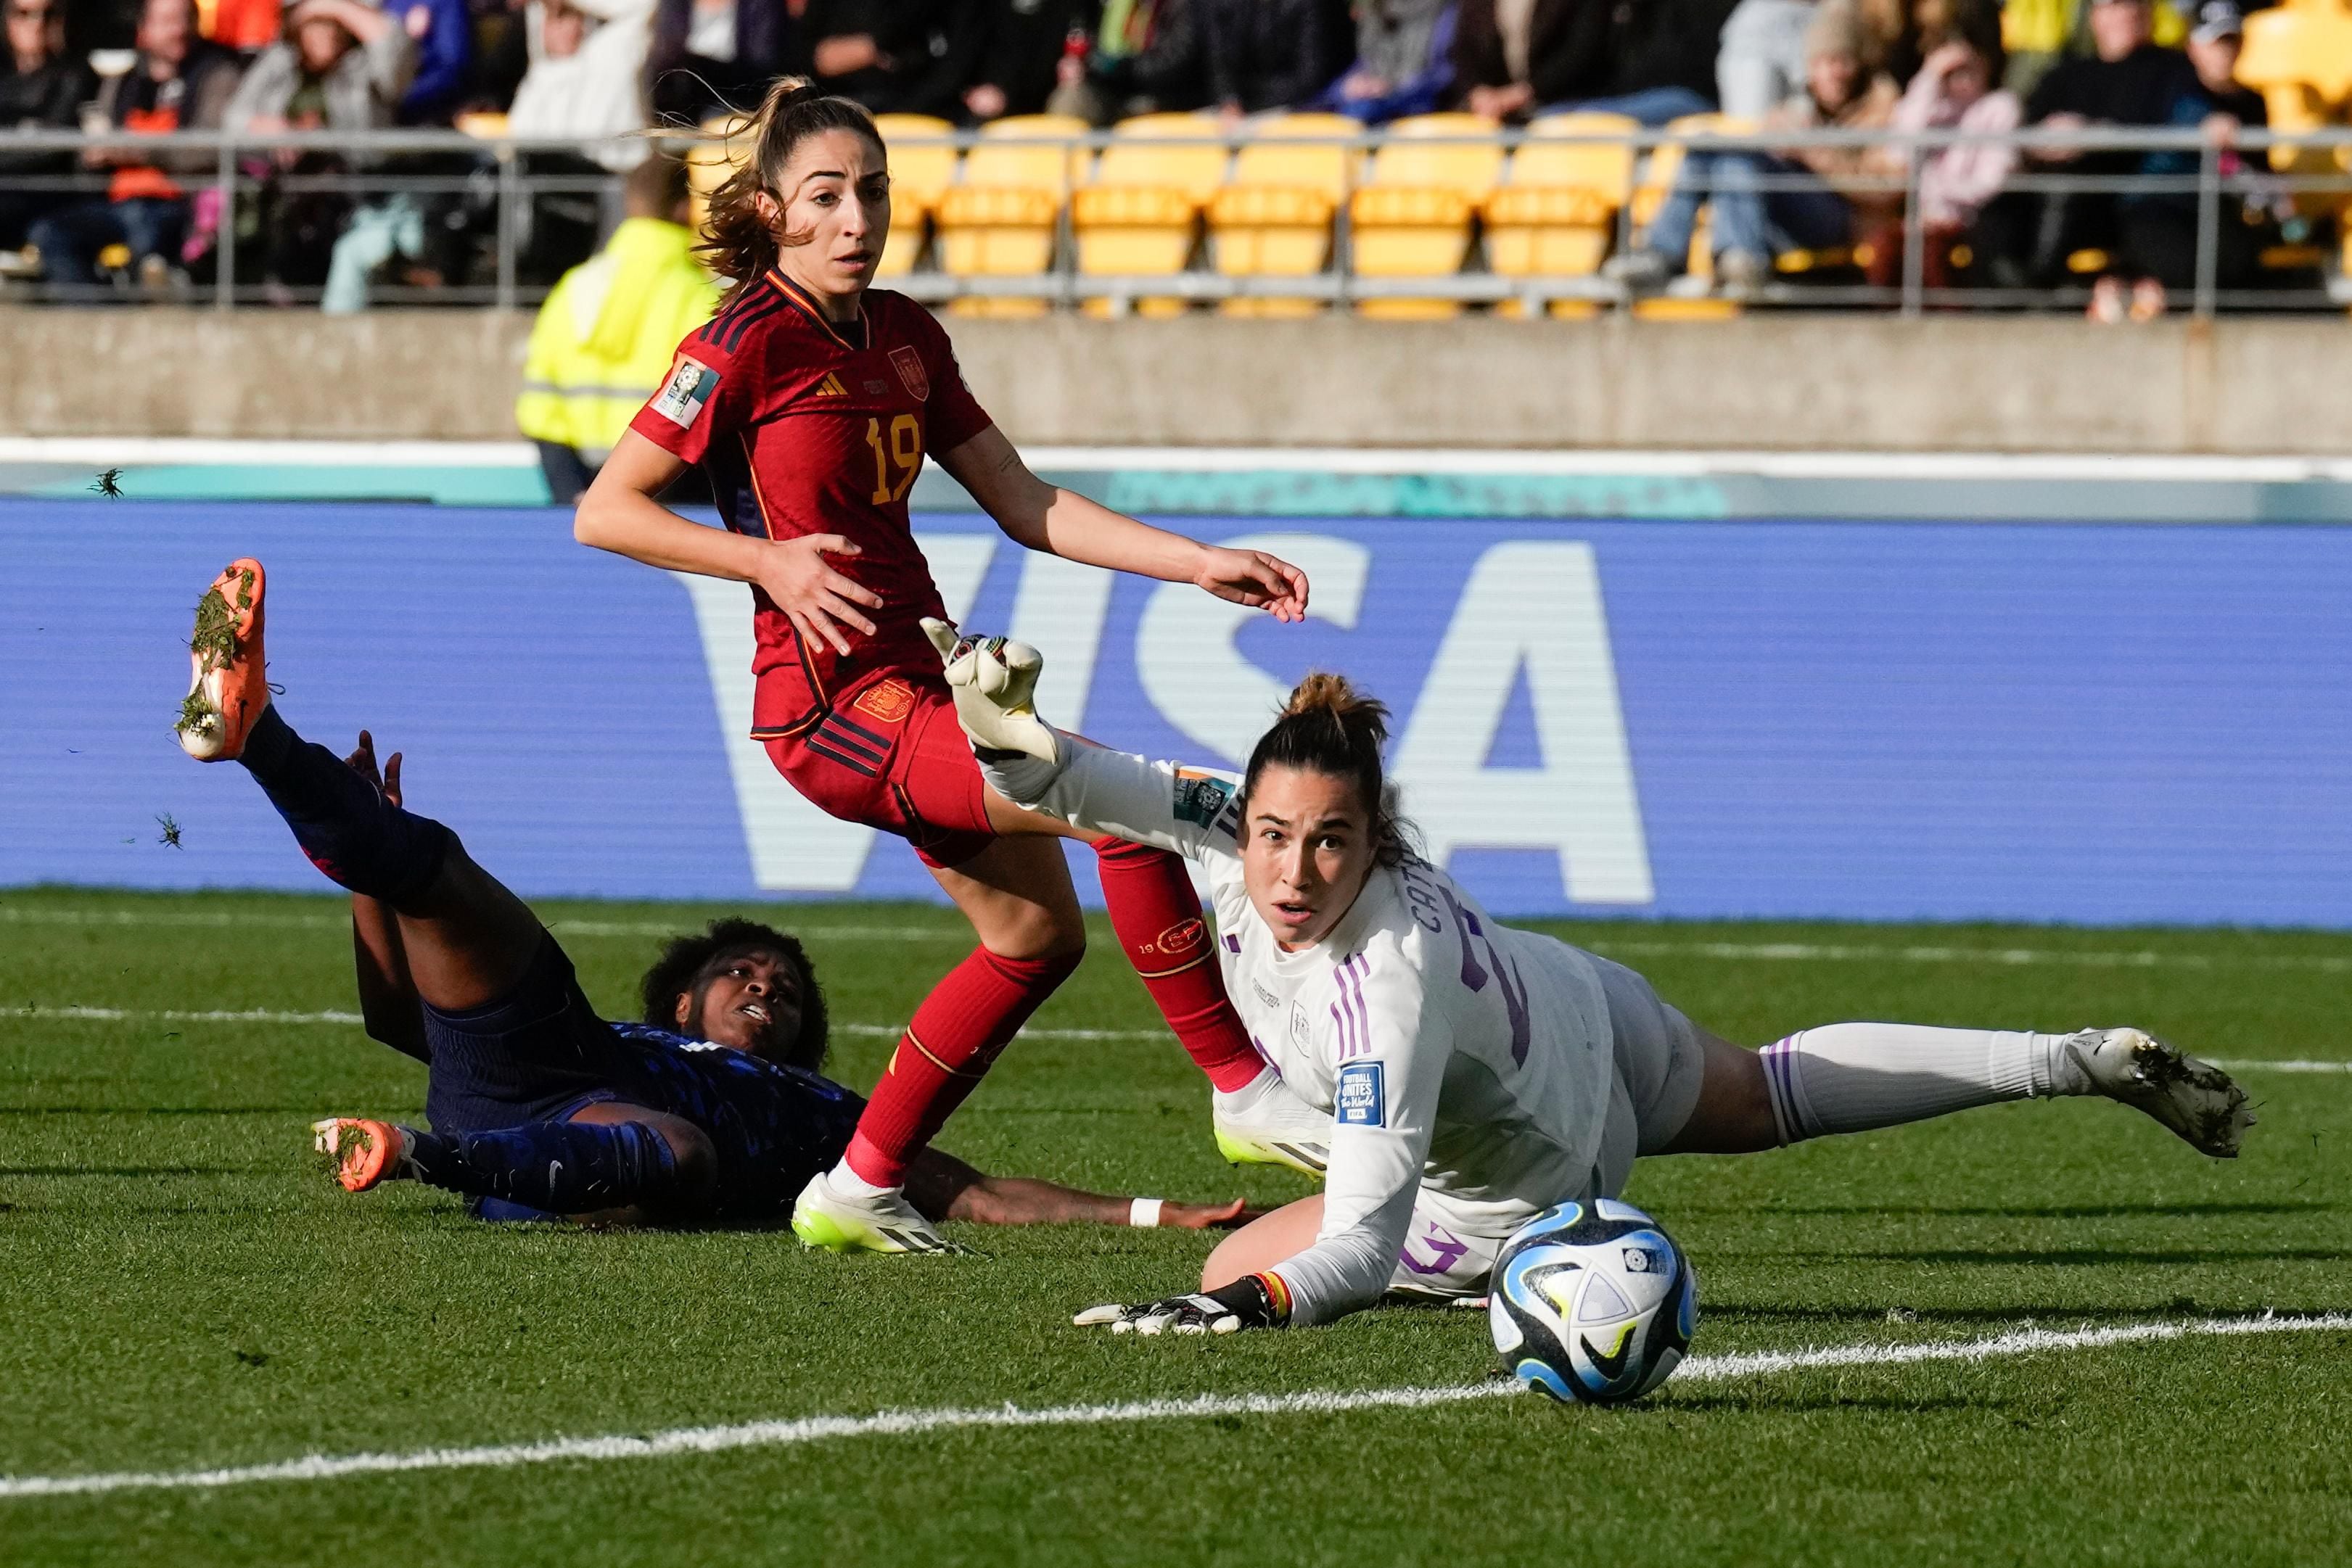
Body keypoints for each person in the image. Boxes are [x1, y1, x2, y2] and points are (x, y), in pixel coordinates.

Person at [926, 631, 2256, 1334]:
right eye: (1272, 835)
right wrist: (1008, 729)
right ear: (1246, 814)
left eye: (1328, 843)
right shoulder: (1236, 814)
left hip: (1531, 1182)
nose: (1288, 868)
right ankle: (2063, 1058)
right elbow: (1092, 784)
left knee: (1240, 1248)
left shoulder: (1383, 981)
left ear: (1372, 842)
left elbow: (1364, 1242)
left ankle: (1542, 1273)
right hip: (1585, 1011)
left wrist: (1234, 1304)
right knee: (1767, 1087)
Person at [573, 81, 1313, 1258]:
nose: (856, 217)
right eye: (827, 196)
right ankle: (1238, 1085)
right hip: (831, 710)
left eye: (872, 190)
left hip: (927, 685)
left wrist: (1193, 563)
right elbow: (605, 512)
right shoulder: (737, 343)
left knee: (1037, 940)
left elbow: (1026, 502)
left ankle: (859, 1184)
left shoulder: (909, 335)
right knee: (1117, 806)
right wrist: (764, 562)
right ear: (772, 210)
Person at [170, 557, 1253, 1237]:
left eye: (782, 985)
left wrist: (1151, 1212)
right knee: (429, 864)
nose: (764, 985)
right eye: (739, 970)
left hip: (569, 1145)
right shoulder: (626, 1033)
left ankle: (418, 1156)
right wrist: (376, 880)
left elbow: (973, 1191)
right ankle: (253, 730)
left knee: (682, 1154)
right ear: (679, 1003)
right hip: (549, 1067)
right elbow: (396, 1019)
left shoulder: (833, 1119)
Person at [1605, 0, 1896, 297]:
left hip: (1844, 220)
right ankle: (1665, 255)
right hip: (1787, 213)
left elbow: (1887, 189)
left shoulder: (1883, 107)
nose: (1833, 73)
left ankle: (1738, 256)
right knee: (1710, 145)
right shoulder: (1798, 108)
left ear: (1859, 63)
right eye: (1822, 63)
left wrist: (1814, 153)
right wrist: (1776, 136)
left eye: (1842, 61)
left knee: (1742, 155)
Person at [516, 152, 721, 503]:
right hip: (675, 500)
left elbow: (541, 410)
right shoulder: (705, 299)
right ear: (685, 207)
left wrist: (575, 498)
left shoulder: (575, 286)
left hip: (584, 488)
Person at [26, 0, 241, 295]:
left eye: (184, 20)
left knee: (149, 249)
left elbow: (208, 149)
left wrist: (138, 151)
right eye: (167, 22)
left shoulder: (216, 75)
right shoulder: (123, 83)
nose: (178, 30)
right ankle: (95, 317)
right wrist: (92, 153)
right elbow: (91, 144)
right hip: (118, 204)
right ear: (144, 30)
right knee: (51, 234)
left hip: (179, 205)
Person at [223, 0, 417, 295]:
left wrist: (335, 6)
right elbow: (232, 120)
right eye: (315, 23)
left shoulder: (363, 69)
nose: (324, 34)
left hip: (351, 194)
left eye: (332, 24)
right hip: (281, 194)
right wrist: (276, 130)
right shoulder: (279, 64)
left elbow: (396, 49)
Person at [2097, 0, 2268, 319]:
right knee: (2182, 264)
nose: (2224, 52)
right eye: (2215, 42)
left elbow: (2258, 169)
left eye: (2230, 41)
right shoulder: (2173, 79)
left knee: (2239, 262)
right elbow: (2188, 112)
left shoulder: (2251, 102)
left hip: (2210, 212)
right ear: (2194, 47)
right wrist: (2208, 124)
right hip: (2156, 209)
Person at [2014, 0, 2195, 290]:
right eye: (2113, 5)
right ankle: (1994, 298)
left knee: (2066, 188)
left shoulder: (2173, 69)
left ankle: (2037, 287)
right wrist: (2046, 140)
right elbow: (2026, 131)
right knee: (1999, 206)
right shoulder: (2067, 71)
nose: (2125, 13)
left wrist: (2089, 135)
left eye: (2133, 5)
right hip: (2051, 184)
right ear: (2094, 16)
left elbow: (2163, 130)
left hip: (2135, 197)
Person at [1864, 29, 2019, 292]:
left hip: (1971, 220)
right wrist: (1930, 78)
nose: (1960, 78)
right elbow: (1898, 152)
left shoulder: (1998, 107)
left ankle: (1946, 325)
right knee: (1884, 250)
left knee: (1931, 254)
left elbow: (1992, 181)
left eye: (1966, 68)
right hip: (1921, 220)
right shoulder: (1930, 109)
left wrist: (1940, 198)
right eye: (1951, 72)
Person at [0, 0, 92, 256]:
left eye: (47, 14)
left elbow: (49, 147)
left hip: (45, 194)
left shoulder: (76, 76)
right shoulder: (5, 79)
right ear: (8, 20)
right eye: (24, 14)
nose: (37, 24)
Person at [646, 0, 799, 126]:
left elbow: (764, 69)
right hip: (681, 100)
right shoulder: (675, 5)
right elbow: (663, 58)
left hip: (739, 101)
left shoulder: (761, 5)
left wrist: (701, 68)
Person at [1309, 0, 1456, 124]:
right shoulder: (1372, 7)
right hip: (1368, 106)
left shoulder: (1445, 9)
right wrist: (1347, 86)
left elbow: (1444, 72)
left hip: (1420, 109)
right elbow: (1362, 62)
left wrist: (1393, 88)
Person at [1201, 0, 1353, 120]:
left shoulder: (1307, 5)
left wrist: (1252, 102)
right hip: (1241, 109)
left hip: (1296, 106)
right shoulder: (1226, 6)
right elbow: (1219, 61)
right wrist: (1229, 100)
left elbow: (1309, 76)